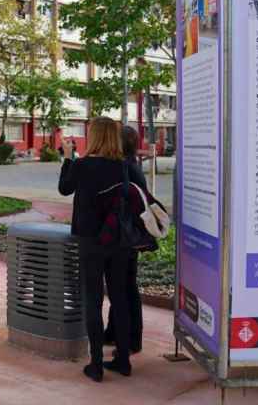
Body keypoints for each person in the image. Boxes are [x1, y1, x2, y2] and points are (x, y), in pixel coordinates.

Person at [58, 116, 133, 382]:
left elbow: (64, 188)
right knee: (119, 298)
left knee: (93, 300)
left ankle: (97, 364)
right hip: (118, 241)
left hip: (90, 241)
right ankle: (123, 360)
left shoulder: (82, 165)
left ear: (94, 137)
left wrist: (67, 157)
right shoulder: (122, 167)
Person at [103, 126, 148, 354]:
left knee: (123, 289)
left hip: (124, 237)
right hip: (131, 237)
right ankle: (117, 334)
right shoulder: (133, 167)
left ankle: (129, 340)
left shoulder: (125, 169)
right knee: (126, 287)